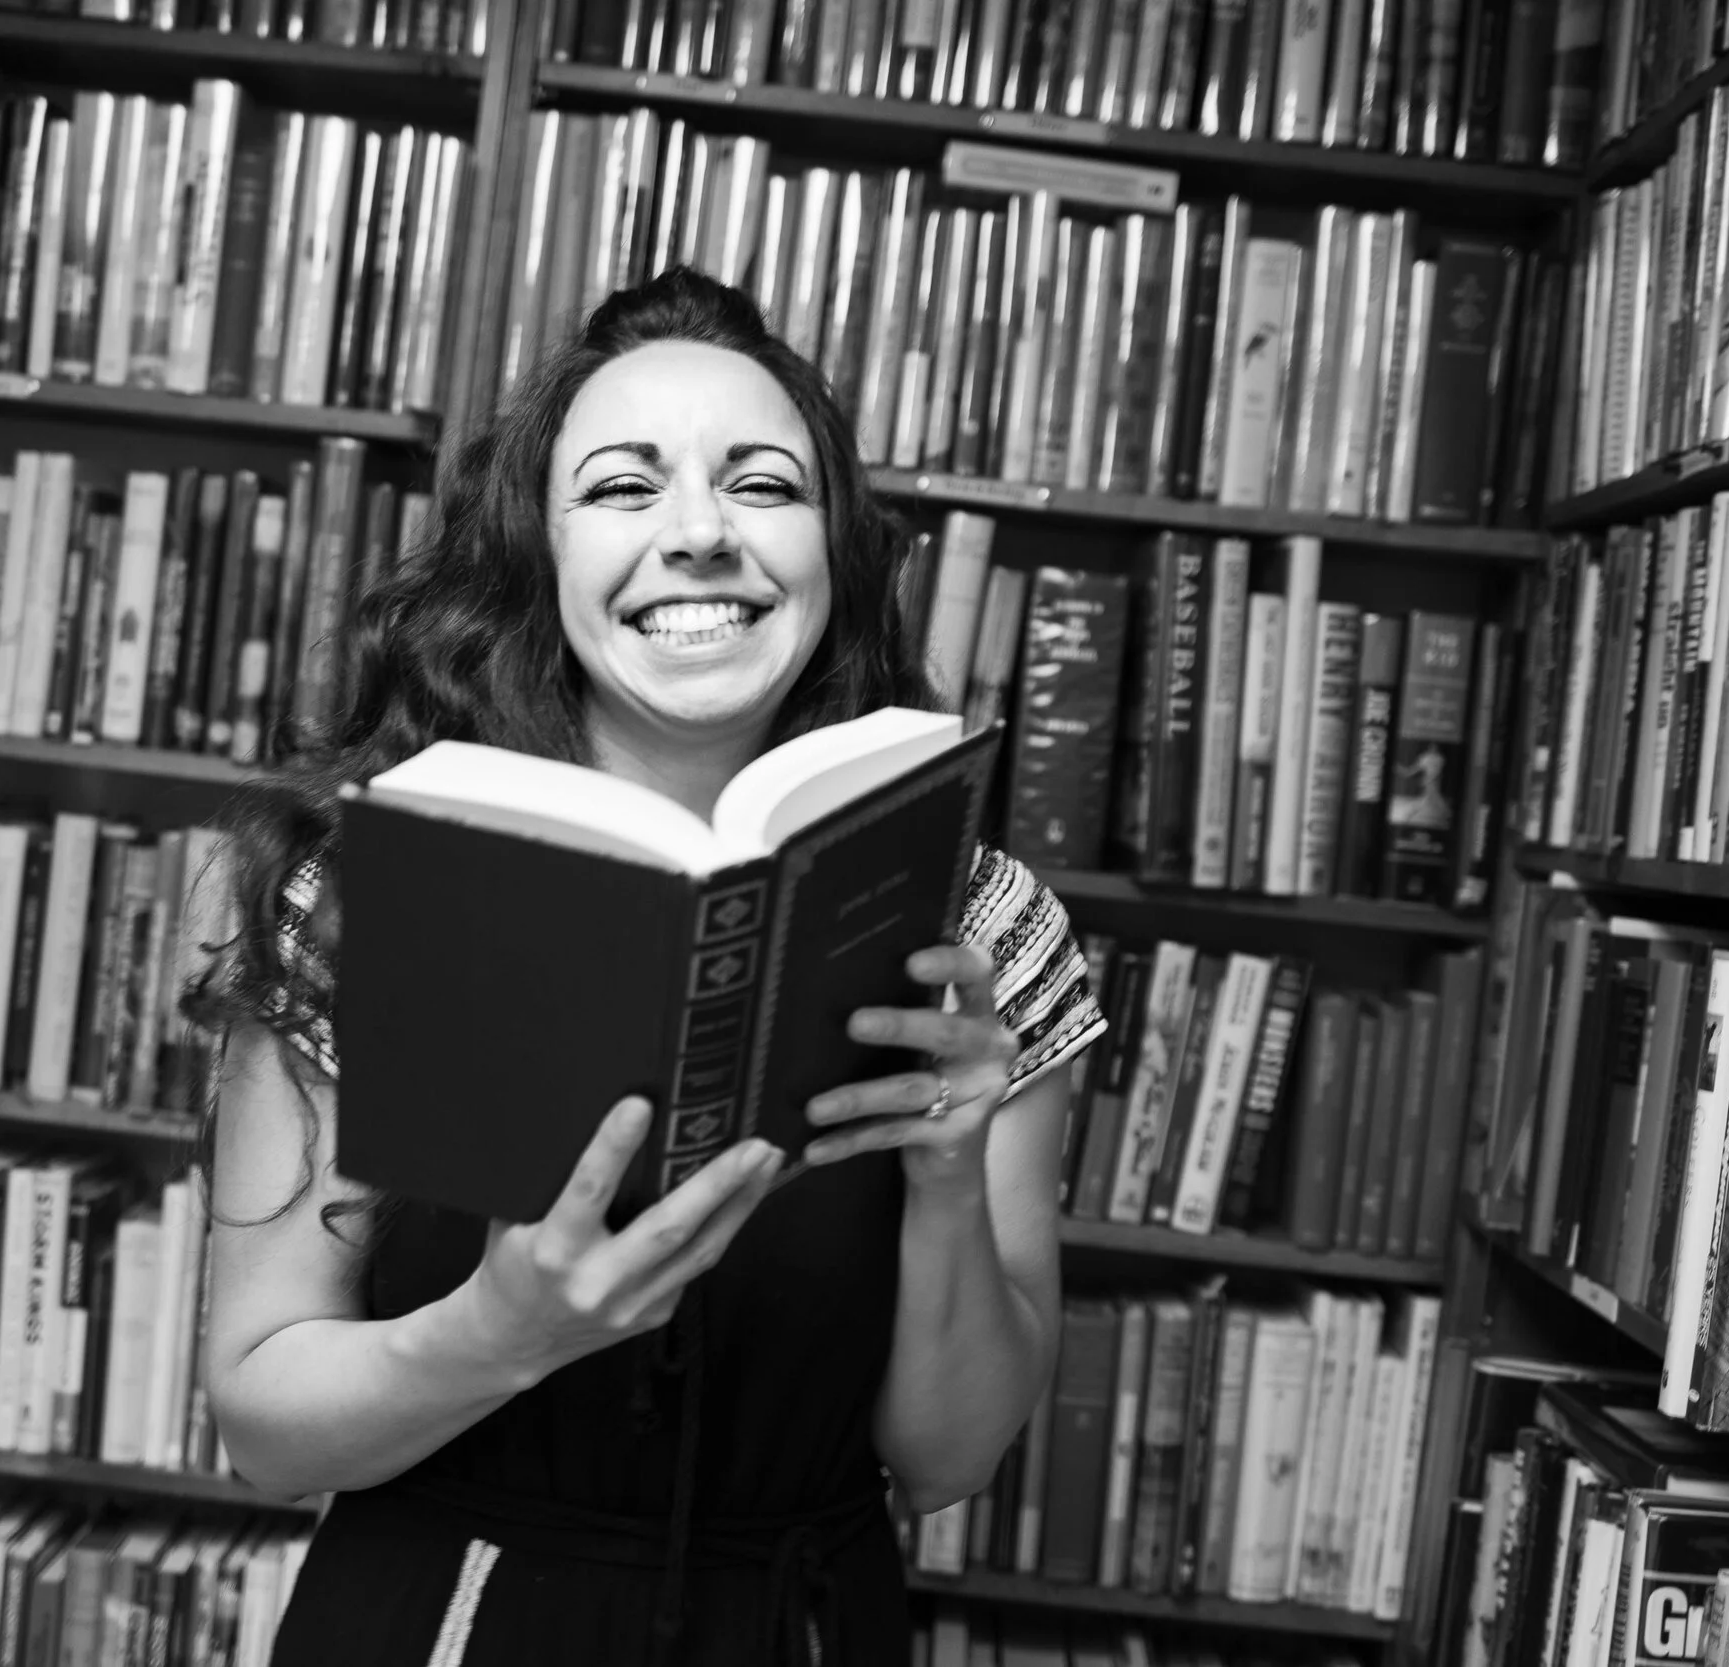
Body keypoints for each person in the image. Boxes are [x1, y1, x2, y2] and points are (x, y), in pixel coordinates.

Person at [191, 268, 1107, 1666]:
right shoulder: (362, 896)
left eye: (763, 485)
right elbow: (261, 1424)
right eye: (624, 488)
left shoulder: (988, 929)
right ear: (539, 556)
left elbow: (949, 1457)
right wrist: (498, 1332)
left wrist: (942, 1182)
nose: (698, 534)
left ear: (836, 549)